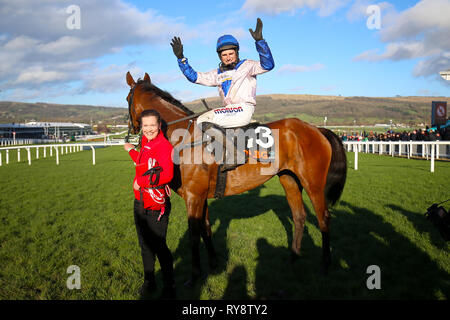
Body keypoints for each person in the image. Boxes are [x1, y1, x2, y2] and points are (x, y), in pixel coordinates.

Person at [170, 18, 274, 171]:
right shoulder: (216, 74)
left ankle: (236, 154)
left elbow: (268, 65)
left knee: (202, 120)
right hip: (231, 112)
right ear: (220, 56)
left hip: (243, 109)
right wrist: (181, 59)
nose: (228, 57)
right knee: (206, 119)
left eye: (231, 53)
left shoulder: (248, 66)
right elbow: (195, 77)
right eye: (224, 55)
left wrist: (260, 41)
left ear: (237, 53)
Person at [123, 109, 175, 299]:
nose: (149, 129)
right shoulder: (145, 143)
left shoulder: (164, 146)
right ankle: (149, 281)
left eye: (153, 125)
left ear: (159, 125)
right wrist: (132, 151)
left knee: (160, 247)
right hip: (140, 203)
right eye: (146, 125)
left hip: (156, 205)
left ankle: (170, 286)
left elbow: (167, 174)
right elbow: (143, 163)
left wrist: (141, 182)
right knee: (144, 246)